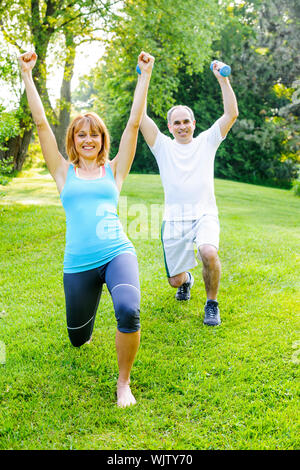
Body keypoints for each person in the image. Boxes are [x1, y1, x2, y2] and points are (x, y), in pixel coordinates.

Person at [19, 50, 154, 407]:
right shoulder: (63, 172)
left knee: (128, 309)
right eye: (81, 135)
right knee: (78, 339)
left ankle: (123, 383)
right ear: (74, 141)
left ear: (102, 139)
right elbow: (42, 124)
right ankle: (85, 325)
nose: (89, 140)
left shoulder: (115, 169)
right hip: (78, 264)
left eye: (94, 134)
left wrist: (144, 75)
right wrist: (27, 74)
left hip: (116, 252)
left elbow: (133, 124)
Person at [140, 61, 238, 326]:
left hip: (204, 214)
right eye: (176, 123)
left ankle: (211, 303)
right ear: (169, 127)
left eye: (186, 121)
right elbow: (139, 117)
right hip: (175, 218)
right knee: (175, 281)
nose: (182, 126)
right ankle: (187, 280)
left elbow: (230, 114)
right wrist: (145, 78)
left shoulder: (207, 141)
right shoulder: (162, 146)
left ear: (193, 124)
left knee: (208, 251)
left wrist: (222, 80)